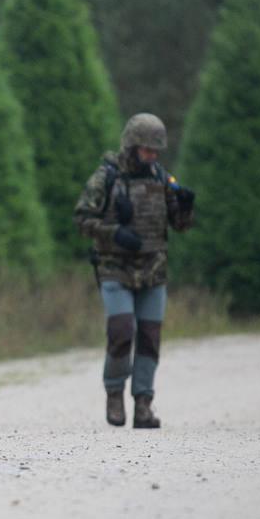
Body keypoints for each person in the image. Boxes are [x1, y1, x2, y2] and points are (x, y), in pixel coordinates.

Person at [74, 113, 194, 428]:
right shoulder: (106, 178)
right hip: (115, 267)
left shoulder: (160, 177)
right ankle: (115, 393)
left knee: (150, 337)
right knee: (122, 331)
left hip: (153, 269)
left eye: (155, 151)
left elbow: (179, 226)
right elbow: (82, 219)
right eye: (146, 150)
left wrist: (184, 206)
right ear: (131, 146)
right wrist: (114, 232)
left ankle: (143, 403)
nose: (151, 156)